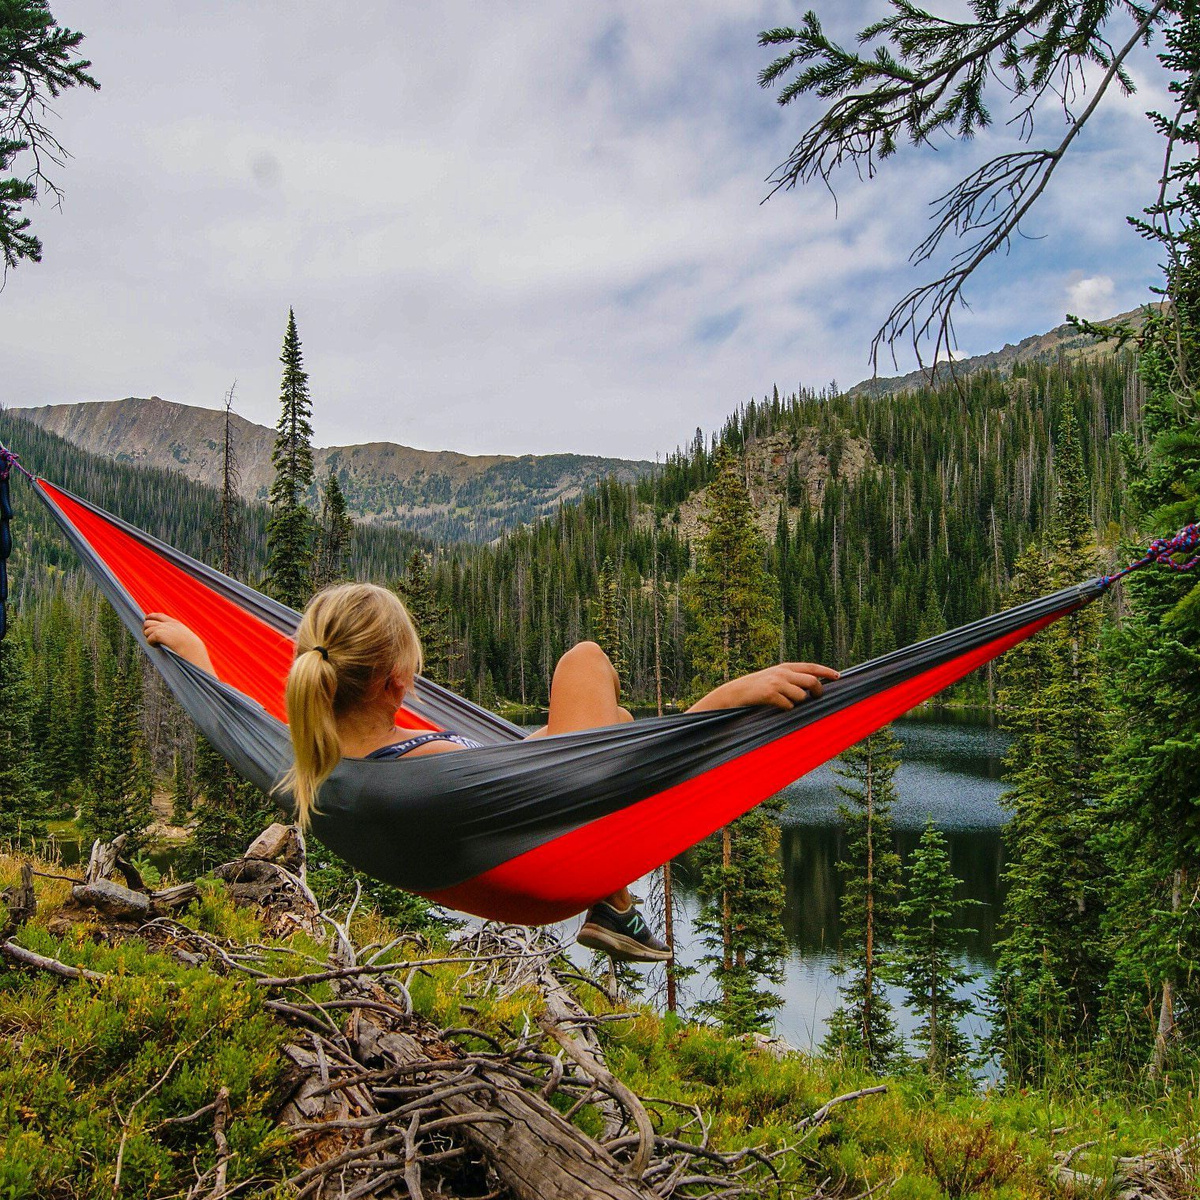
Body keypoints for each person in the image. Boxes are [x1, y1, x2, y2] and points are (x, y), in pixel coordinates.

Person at [144, 582, 838, 963]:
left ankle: (618, 906)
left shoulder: (307, 758)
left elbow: (238, 718)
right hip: (544, 866)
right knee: (585, 661)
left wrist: (198, 654)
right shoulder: (430, 772)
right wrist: (722, 705)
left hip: (500, 827)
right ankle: (614, 903)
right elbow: (610, 787)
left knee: (616, 719)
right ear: (395, 682)